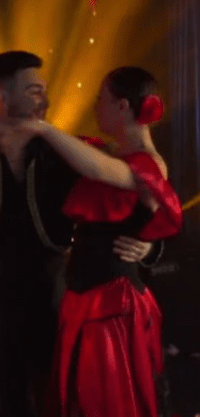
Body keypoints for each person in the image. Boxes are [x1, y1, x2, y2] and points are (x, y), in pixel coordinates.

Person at [1, 66, 182, 416]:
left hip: (111, 305)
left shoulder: (148, 164)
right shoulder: (106, 152)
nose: (96, 106)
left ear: (122, 106)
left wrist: (43, 128)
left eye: (101, 99)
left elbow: (99, 171)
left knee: (103, 398)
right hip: (82, 297)